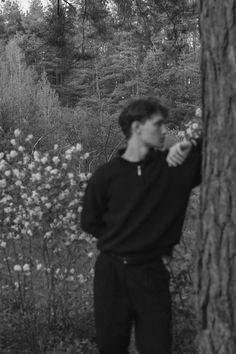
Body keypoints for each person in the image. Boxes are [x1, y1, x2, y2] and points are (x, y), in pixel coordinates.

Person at [81, 96, 201, 354]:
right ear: (136, 127)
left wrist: (191, 144)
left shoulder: (174, 167)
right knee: (111, 347)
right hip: (111, 274)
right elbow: (89, 221)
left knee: (157, 347)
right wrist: (123, 240)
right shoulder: (106, 175)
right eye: (158, 124)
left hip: (151, 273)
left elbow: (222, 141)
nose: (165, 130)